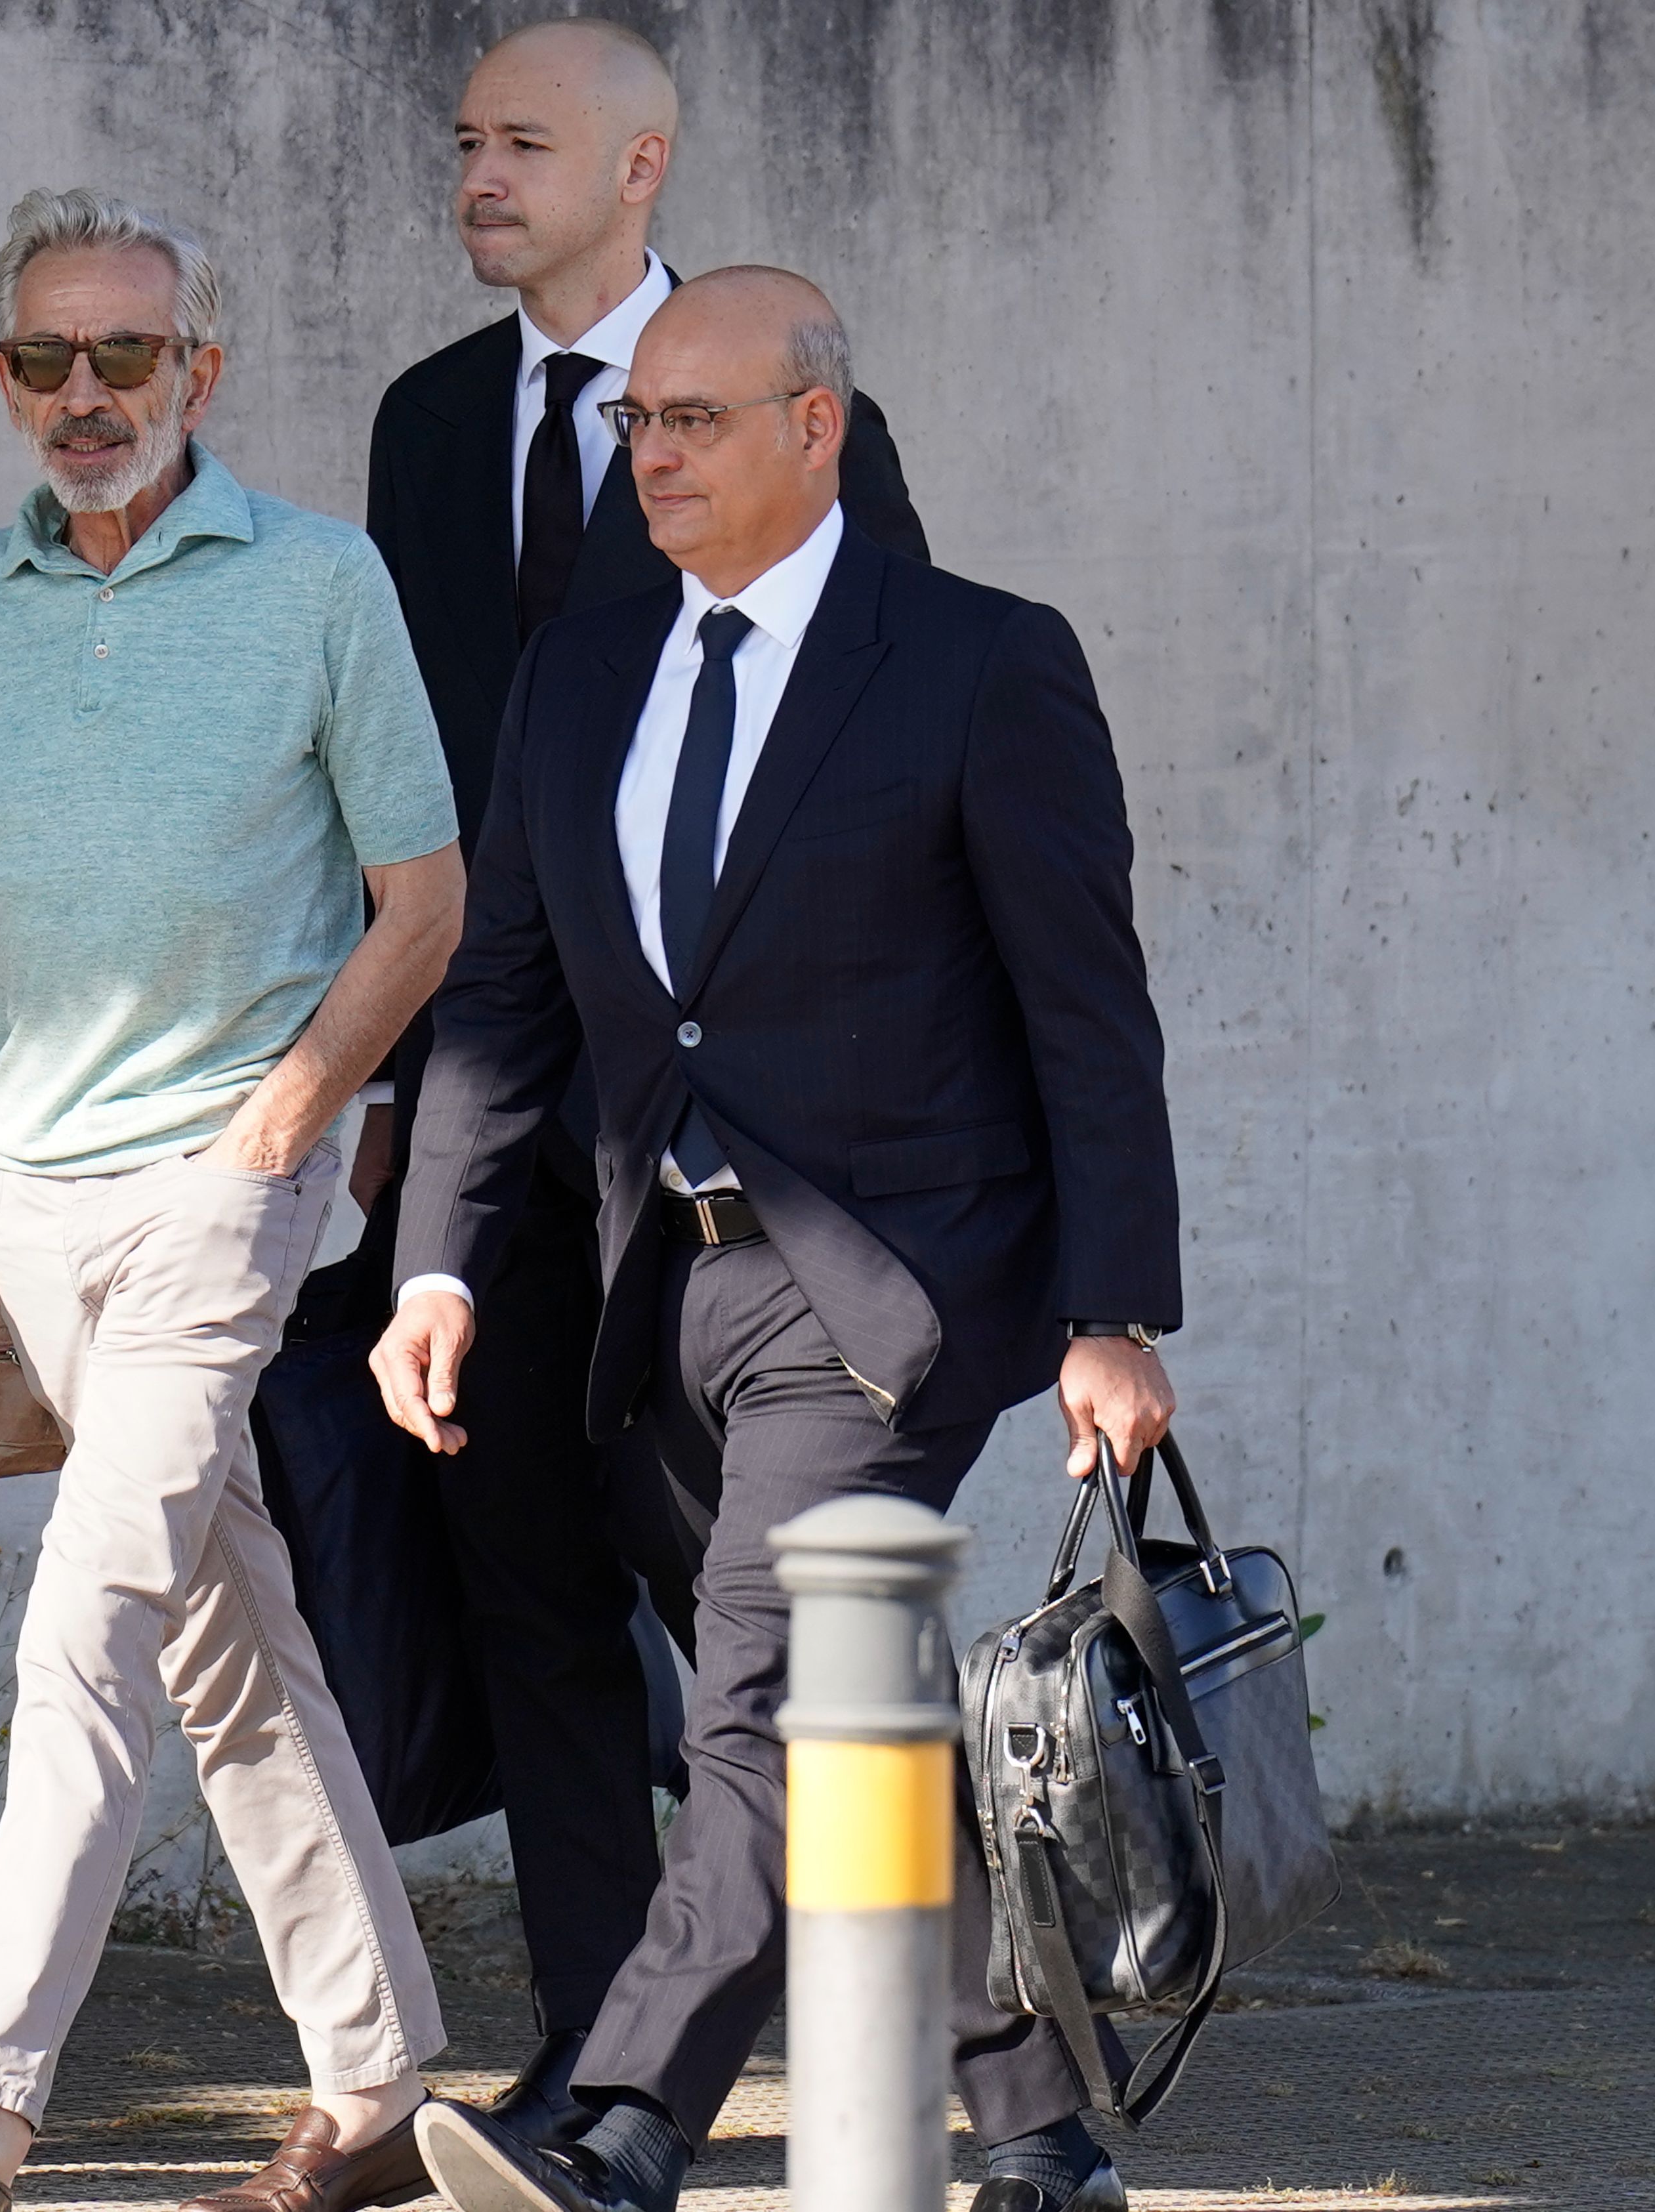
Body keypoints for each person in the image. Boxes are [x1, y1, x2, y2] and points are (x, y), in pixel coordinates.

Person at [373, 268, 1184, 2212]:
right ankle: (1039, 2130)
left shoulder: (979, 660)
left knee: (750, 1699)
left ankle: (627, 2123)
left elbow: (1087, 1006)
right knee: (850, 1720)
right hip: (660, 1286)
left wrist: (1112, 1309)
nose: (649, 456)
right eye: (635, 422)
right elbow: (502, 1002)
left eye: (694, 420)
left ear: (816, 428)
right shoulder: (579, 673)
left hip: (889, 1290)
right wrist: (438, 1262)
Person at [0, 190, 465, 2212]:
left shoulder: (322, 583)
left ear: (198, 371)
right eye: (45, 357)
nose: (86, 392)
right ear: (8, 378)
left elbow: (424, 905)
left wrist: (287, 1116)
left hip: (227, 1186)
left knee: (91, 1620)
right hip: (34, 1204)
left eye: (127, 353)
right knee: (229, 1646)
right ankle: (381, 2090)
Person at [358, 18, 934, 2136]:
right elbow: (404, 766)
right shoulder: (431, 421)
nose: (478, 174)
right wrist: (397, 1093)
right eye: (465, 141)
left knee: (778, 1634)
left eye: (522, 141)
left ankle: (934, 2043)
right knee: (524, 1583)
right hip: (497, 1100)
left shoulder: (788, 399)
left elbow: (880, 739)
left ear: (640, 164)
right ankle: (598, 2062)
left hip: (742, 1167)